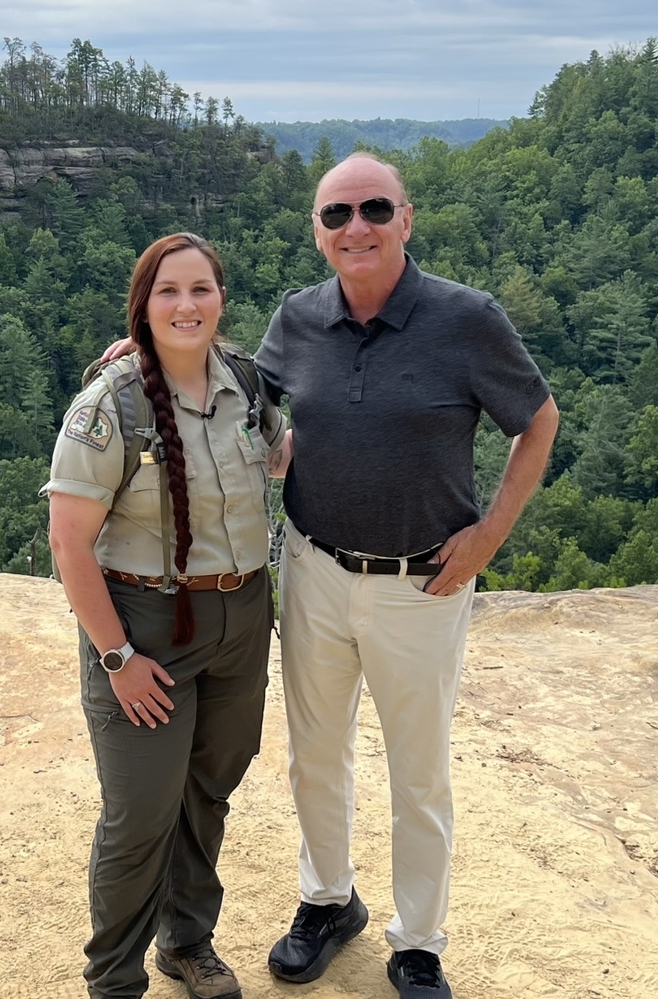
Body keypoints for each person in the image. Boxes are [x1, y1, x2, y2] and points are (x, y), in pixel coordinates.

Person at [258, 153, 558, 999]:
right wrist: (146, 345)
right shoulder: (299, 317)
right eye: (336, 214)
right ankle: (328, 900)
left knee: (417, 768)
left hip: (422, 581)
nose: (356, 226)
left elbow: (537, 421)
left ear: (407, 219)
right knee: (314, 755)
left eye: (375, 209)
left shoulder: (466, 319)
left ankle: (418, 940)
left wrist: (489, 536)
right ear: (317, 233)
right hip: (315, 566)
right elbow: (247, 390)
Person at [45, 232, 291, 999]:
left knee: (208, 791)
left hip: (241, 617)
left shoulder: (247, 385)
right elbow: (68, 543)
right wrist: (116, 657)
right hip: (145, 626)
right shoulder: (112, 405)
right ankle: (113, 981)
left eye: (201, 290)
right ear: (143, 305)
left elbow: (283, 455)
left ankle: (186, 944)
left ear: (221, 298)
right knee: (141, 814)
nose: (187, 306)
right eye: (169, 292)